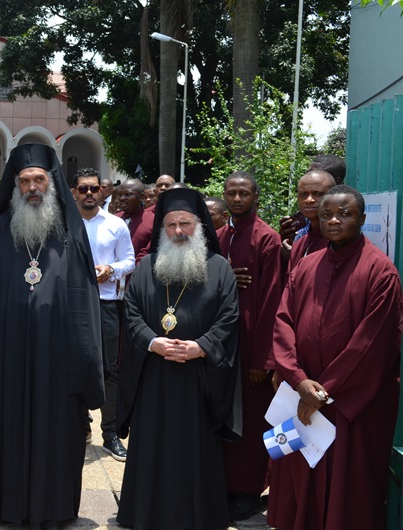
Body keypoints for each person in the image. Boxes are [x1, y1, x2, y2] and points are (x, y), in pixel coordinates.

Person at [0, 143, 105, 527]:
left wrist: (86, 357)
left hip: (58, 358)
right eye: (24, 180)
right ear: (15, 184)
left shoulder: (70, 231)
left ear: (51, 182)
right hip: (10, 355)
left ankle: (54, 509)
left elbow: (85, 300)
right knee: (9, 431)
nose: (32, 187)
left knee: (58, 432)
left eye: (39, 179)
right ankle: (8, 507)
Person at [270, 185, 401, 530]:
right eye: (327, 214)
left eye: (345, 214)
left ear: (362, 218)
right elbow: (283, 322)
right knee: (298, 478)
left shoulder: (381, 272)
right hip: (301, 393)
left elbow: (371, 345)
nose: (333, 220)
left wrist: (321, 392)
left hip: (350, 401)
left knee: (347, 490)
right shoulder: (305, 265)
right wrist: (298, 380)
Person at [117, 187, 241, 530]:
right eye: (171, 225)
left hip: (197, 376)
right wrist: (152, 341)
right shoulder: (146, 268)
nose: (178, 231)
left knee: (194, 445)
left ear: (198, 225)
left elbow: (229, 317)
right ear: (162, 229)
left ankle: (196, 515)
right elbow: (132, 313)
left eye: (185, 223)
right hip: (154, 375)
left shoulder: (219, 268)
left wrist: (202, 346)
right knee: (153, 443)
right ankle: (145, 513)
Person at [216, 172, 283, 520]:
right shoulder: (218, 236)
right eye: (232, 192)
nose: (237, 198)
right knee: (226, 415)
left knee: (254, 419)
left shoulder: (266, 238)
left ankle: (249, 490)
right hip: (220, 344)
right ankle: (226, 485)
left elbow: (272, 299)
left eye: (244, 193)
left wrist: (263, 357)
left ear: (255, 196)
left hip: (251, 345)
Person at [71, 168, 134, 460]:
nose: (89, 194)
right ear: (74, 192)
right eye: (83, 189)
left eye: (93, 189)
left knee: (110, 368)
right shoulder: (64, 223)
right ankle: (80, 427)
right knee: (75, 364)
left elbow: (129, 261)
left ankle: (111, 433)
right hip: (72, 304)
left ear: (101, 191)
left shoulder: (115, 224)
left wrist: (111, 269)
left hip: (107, 303)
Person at [280, 170, 337, 270]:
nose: (309, 200)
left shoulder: (337, 242)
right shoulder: (301, 243)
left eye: (318, 194)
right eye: (303, 194)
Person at [116, 179, 155, 265]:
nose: (122, 198)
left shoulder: (153, 221)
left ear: (141, 197)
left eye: (127, 194)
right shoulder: (113, 219)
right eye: (120, 195)